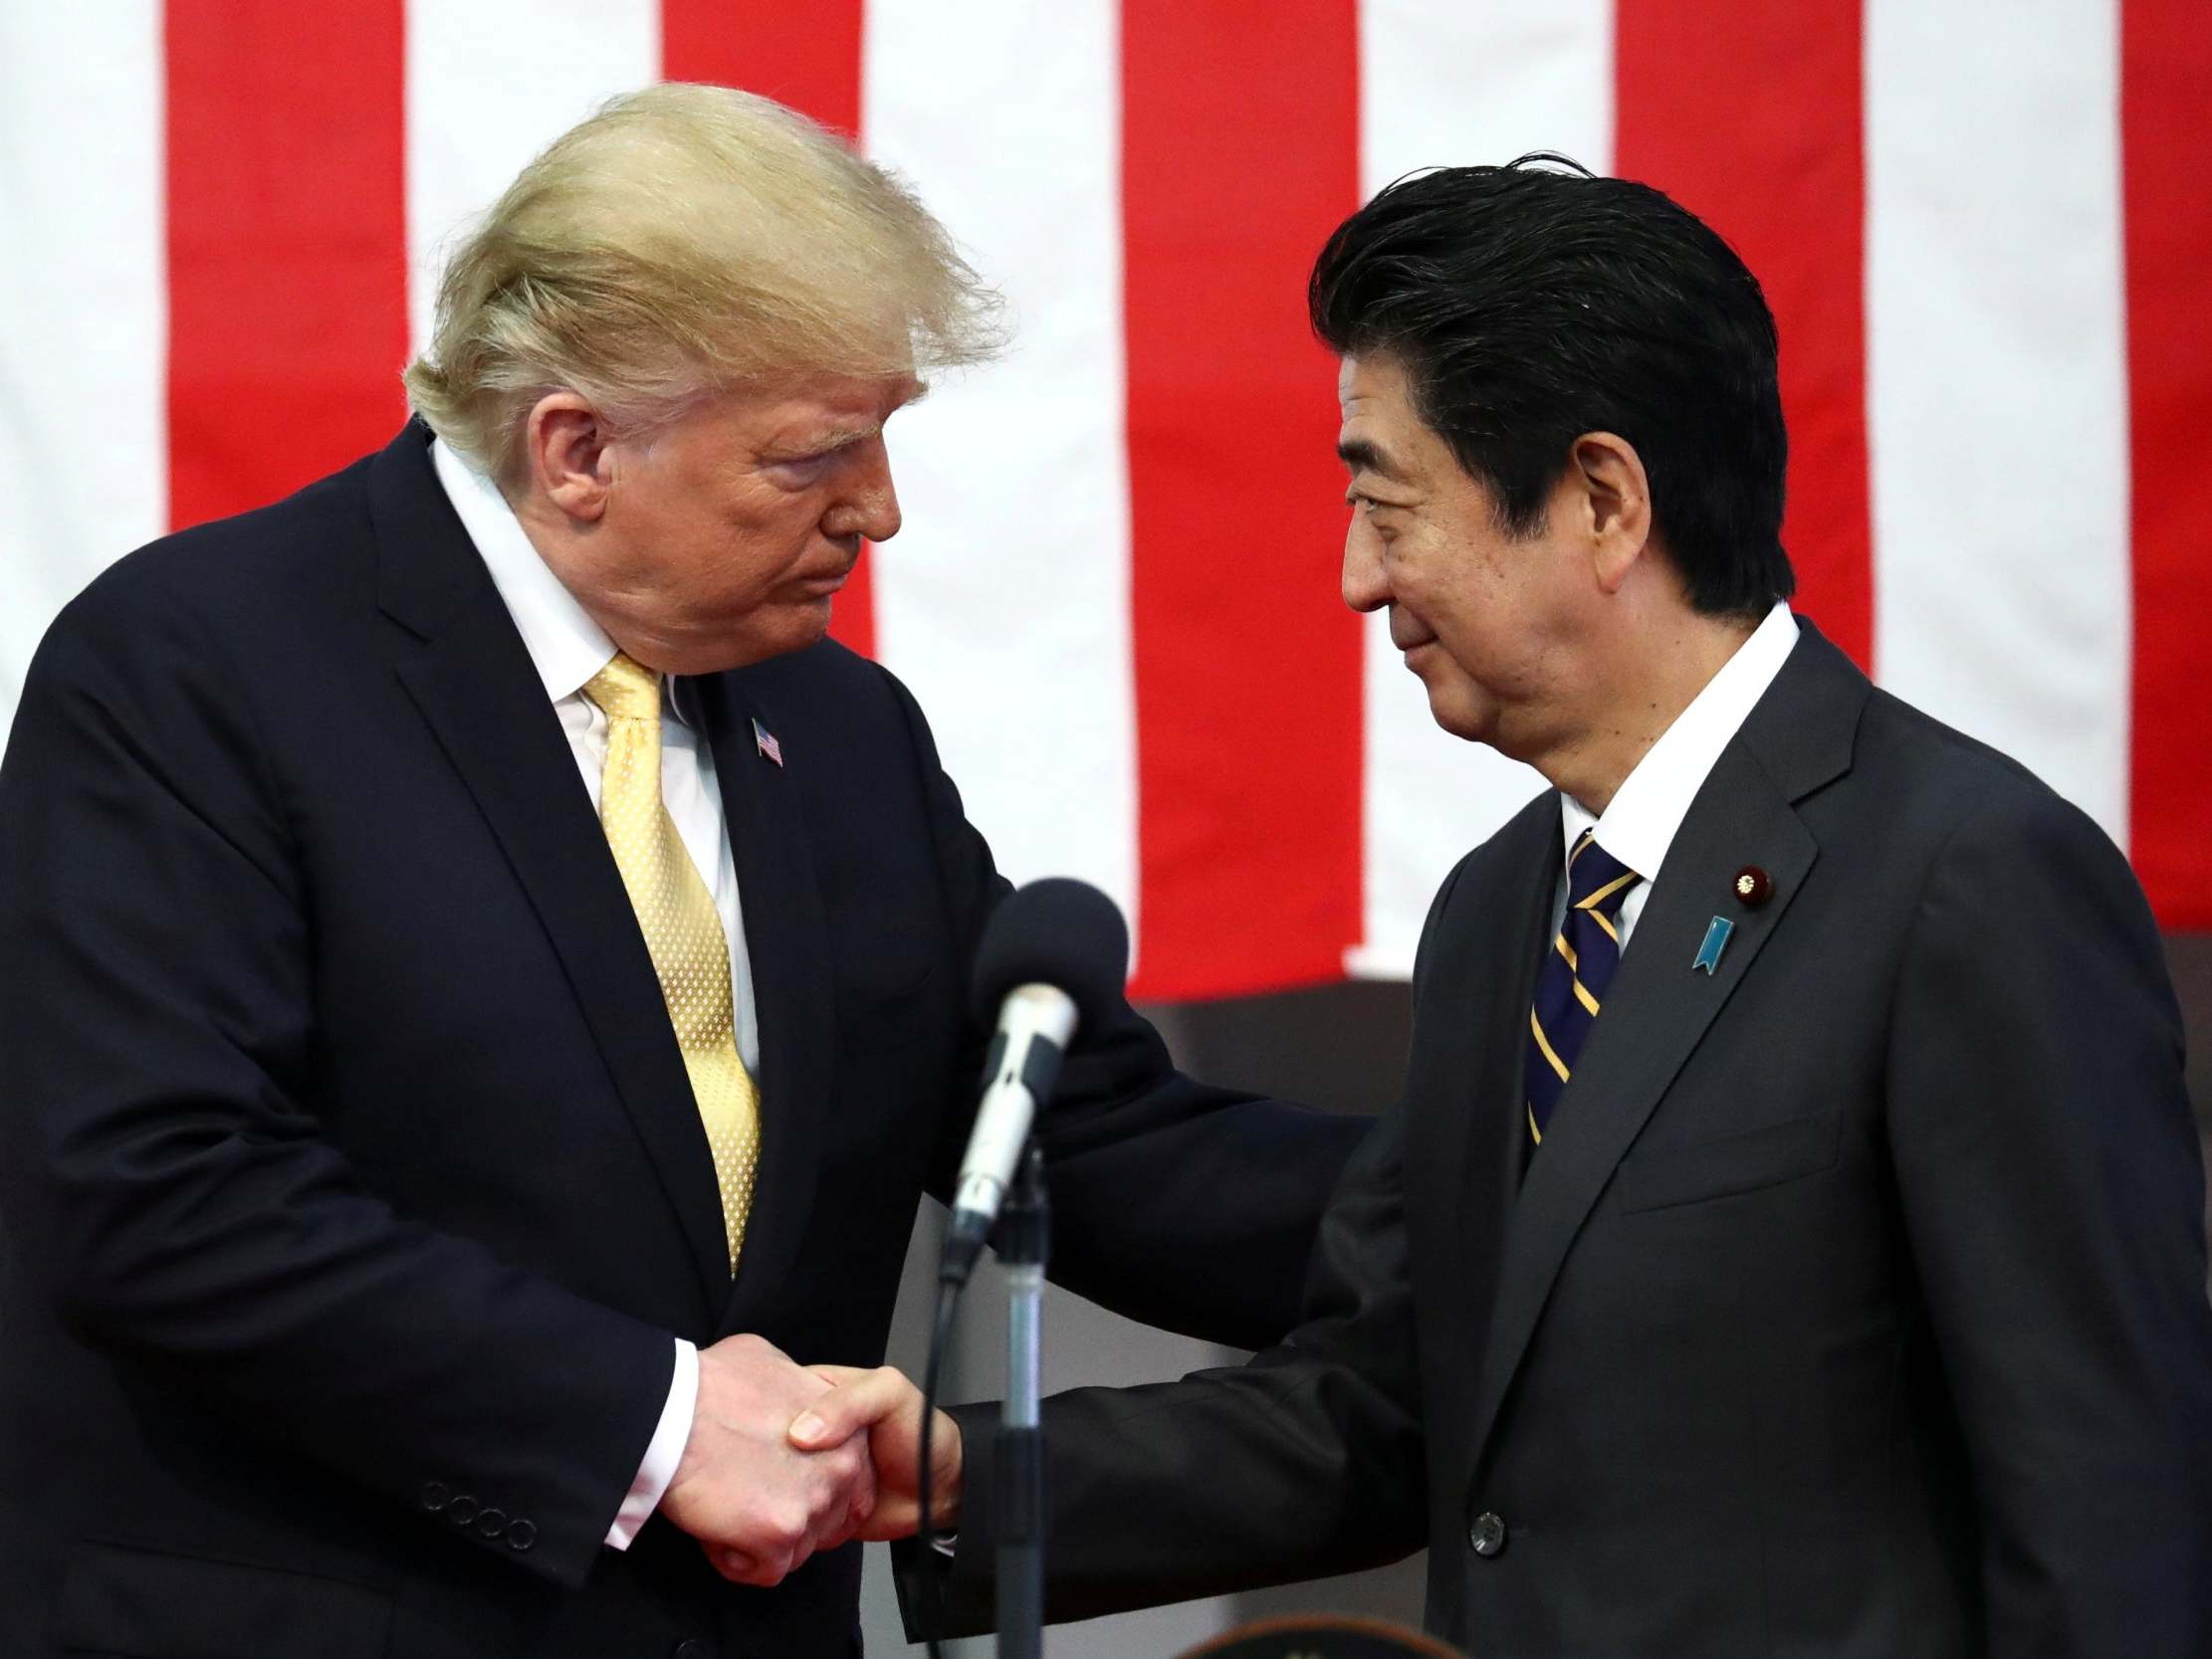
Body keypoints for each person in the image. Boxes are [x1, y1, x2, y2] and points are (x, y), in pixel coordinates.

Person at [0, 86, 1367, 1659]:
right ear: (577, 449)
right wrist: (651, 1424)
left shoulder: (838, 726)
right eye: (816, 456)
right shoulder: (203, 663)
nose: (880, 511)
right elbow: (157, 1192)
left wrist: (1547, 1198)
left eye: (883, 438)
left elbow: (1085, 1141)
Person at [800, 159, 2212, 1657]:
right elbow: (1392, 1400)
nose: (1356, 579)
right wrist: (969, 1477)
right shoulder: (1499, 914)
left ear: (1599, 501)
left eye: (1385, 501)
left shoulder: (1965, 879)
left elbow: (2106, 1509)